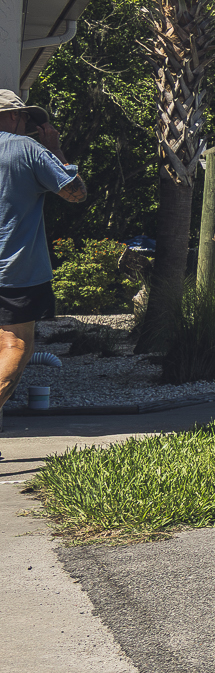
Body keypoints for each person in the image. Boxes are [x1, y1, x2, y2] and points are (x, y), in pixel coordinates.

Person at [0, 91, 87, 430]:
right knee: (15, 346)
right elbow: (75, 192)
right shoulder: (27, 149)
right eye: (25, 117)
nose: (27, 124)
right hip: (14, 270)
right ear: (13, 116)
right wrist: (55, 149)